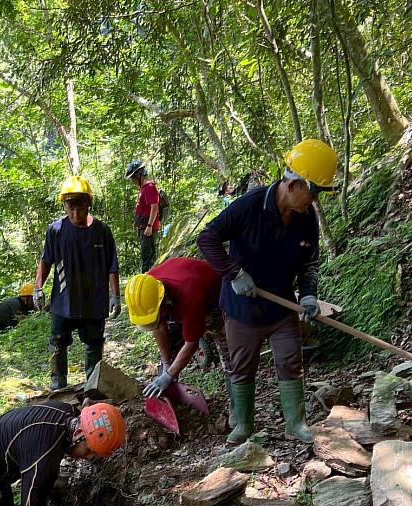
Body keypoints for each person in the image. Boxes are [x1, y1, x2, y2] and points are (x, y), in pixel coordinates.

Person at [197, 139, 338, 446]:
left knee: (290, 360)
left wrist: (309, 294)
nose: (314, 200)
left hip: (281, 306)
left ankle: (295, 423)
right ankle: (244, 426)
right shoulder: (250, 205)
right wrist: (234, 272)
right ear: (294, 184)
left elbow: (309, 262)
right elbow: (207, 238)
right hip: (242, 308)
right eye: (313, 192)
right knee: (242, 367)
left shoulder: (307, 218)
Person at [32, 176, 121, 390]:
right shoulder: (56, 230)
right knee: (58, 343)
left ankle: (93, 388)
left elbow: (112, 266)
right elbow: (46, 261)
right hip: (63, 300)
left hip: (94, 301)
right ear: (64, 205)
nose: (75, 213)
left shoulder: (102, 232)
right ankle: (58, 387)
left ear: (88, 204)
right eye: (70, 207)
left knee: (94, 344)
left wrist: (116, 296)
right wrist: (37, 287)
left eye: (80, 207)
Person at [124, 258, 232, 405]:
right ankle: (169, 399)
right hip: (178, 297)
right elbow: (158, 323)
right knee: (171, 352)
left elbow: (192, 343)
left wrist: (168, 375)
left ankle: (236, 405)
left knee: (229, 355)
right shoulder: (148, 289)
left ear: (164, 302)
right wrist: (166, 363)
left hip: (217, 298)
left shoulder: (189, 295)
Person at [125, 159, 160, 273]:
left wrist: (149, 226)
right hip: (143, 227)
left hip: (147, 228)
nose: (132, 181)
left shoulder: (150, 187)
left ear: (139, 175)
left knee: (148, 259)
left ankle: (148, 283)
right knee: (145, 257)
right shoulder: (143, 188)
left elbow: (154, 207)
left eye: (133, 178)